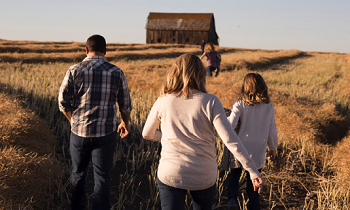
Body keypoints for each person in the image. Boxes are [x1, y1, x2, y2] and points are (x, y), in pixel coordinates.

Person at [142, 54, 263, 210]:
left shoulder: (163, 100)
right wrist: (252, 170)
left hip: (171, 173)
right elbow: (230, 139)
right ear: (200, 74)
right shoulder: (211, 101)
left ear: (175, 72)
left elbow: (147, 133)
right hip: (203, 175)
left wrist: (169, 137)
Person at [58, 34, 132, 210]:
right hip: (106, 134)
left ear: (86, 50)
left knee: (77, 174)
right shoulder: (116, 72)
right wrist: (125, 123)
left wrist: (72, 121)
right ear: (105, 51)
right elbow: (125, 104)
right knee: (102, 177)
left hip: (79, 133)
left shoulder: (74, 70)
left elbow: (63, 102)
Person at [222, 73, 278, 210]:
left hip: (240, 148)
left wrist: (224, 118)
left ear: (245, 87)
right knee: (253, 183)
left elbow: (231, 125)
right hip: (258, 151)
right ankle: (254, 206)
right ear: (263, 86)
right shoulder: (269, 106)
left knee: (234, 174)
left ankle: (232, 200)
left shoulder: (240, 103)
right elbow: (272, 129)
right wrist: (273, 147)